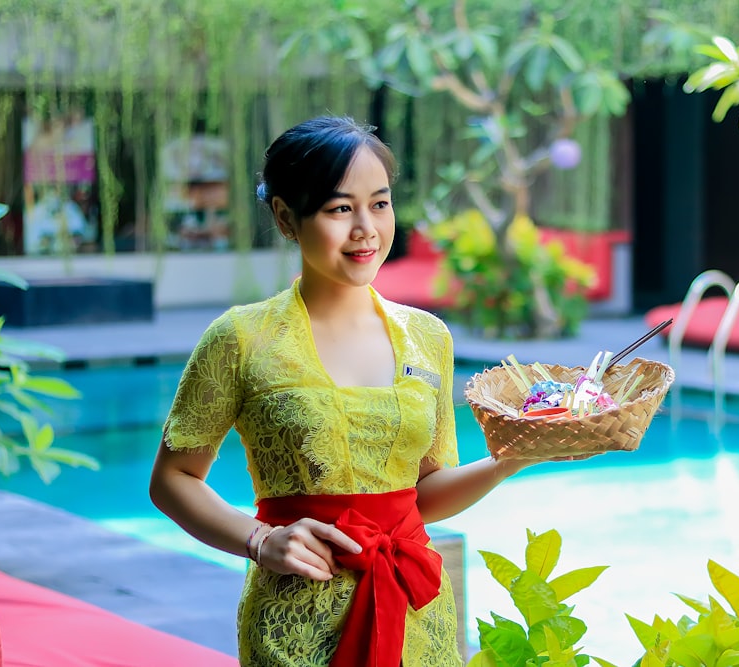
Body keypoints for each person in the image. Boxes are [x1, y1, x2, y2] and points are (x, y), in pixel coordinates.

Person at [149, 116, 551, 667]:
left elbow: (422, 494)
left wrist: (509, 461)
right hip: (295, 626)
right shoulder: (242, 338)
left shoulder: (427, 337)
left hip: (416, 614)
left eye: (380, 204)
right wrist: (259, 541)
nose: (366, 227)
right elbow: (173, 479)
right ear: (287, 217)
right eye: (340, 209)